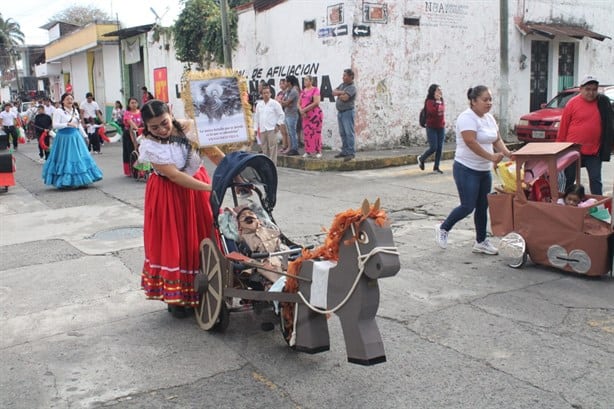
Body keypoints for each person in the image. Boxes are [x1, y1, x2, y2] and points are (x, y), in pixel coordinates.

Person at [137, 99, 225, 318]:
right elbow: (175, 176)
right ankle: (177, 297)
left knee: (205, 235)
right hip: (169, 194)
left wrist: (234, 173)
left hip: (198, 185)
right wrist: (210, 187)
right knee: (176, 241)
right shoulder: (149, 145)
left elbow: (214, 153)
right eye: (154, 127)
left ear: (170, 114)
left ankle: (207, 286)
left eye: (164, 123)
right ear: (147, 127)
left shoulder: (190, 128)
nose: (161, 130)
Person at [435, 85, 512, 255]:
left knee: (483, 206)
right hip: (466, 168)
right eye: (485, 99)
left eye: (490, 99)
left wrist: (507, 153)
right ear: (473, 101)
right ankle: (443, 227)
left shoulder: (490, 118)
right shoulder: (466, 118)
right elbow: (471, 142)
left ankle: (481, 241)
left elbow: (496, 139)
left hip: (484, 170)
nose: (489, 103)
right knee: (467, 206)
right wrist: (491, 157)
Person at [556, 75, 613, 196]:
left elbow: (609, 125)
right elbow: (563, 127)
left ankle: (598, 205)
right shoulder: (572, 103)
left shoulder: (602, 102)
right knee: (569, 179)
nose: (591, 93)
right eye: (588, 89)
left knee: (595, 179)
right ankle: (567, 204)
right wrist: (559, 149)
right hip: (571, 150)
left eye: (594, 89)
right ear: (581, 89)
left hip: (594, 151)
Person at [42, 93, 103, 189]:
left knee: (79, 157)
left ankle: (82, 180)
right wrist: (67, 124)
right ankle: (66, 182)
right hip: (64, 138)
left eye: (71, 99)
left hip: (75, 137)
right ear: (63, 101)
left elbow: (78, 125)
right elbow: (55, 125)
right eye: (67, 99)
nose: (70, 101)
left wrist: (85, 136)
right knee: (67, 158)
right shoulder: (59, 111)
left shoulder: (75, 111)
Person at [236, 206, 284, 284]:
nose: (248, 216)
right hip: (261, 265)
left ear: (258, 220)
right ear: (239, 225)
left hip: (281, 258)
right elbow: (245, 258)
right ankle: (284, 285)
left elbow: (281, 246)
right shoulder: (242, 239)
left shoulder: (271, 231)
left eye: (251, 214)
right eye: (243, 216)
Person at [418, 84, 446, 173]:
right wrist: (438, 103)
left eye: (440, 90)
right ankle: (421, 158)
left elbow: (442, 110)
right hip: (431, 127)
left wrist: (439, 103)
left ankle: (436, 167)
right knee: (433, 147)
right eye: (438, 90)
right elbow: (434, 112)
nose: (440, 92)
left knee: (440, 148)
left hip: (441, 127)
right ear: (433, 92)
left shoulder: (441, 100)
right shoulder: (429, 102)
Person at [254, 85, 285, 165]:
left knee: (273, 148)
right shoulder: (259, 105)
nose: (266, 94)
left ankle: (273, 165)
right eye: (264, 93)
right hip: (262, 129)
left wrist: (278, 125)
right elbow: (256, 118)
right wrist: (255, 129)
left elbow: (281, 114)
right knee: (264, 148)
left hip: (272, 129)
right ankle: (266, 165)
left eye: (267, 93)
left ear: (270, 94)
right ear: (262, 94)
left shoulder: (275, 103)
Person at [332, 68, 357, 161]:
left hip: (348, 112)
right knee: (342, 133)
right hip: (341, 112)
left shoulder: (352, 87)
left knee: (349, 133)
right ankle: (345, 151)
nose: (343, 77)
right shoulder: (342, 85)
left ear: (351, 77)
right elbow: (333, 92)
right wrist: (341, 92)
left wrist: (339, 94)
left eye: (345, 75)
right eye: (343, 75)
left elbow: (345, 98)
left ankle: (351, 152)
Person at [299, 75, 323, 158]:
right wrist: (301, 111)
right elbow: (298, 103)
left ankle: (318, 150)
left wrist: (305, 109)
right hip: (305, 115)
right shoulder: (303, 91)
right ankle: (308, 151)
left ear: (311, 81)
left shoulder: (315, 90)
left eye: (306, 80)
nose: (305, 82)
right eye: (304, 80)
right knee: (306, 133)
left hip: (315, 114)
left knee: (316, 132)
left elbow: (316, 102)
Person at [122, 98, 143, 176]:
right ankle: (132, 170)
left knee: (141, 150)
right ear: (129, 104)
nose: (134, 104)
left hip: (141, 132)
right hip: (130, 133)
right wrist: (136, 128)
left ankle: (142, 169)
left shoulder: (141, 113)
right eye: (132, 103)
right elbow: (130, 121)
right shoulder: (127, 113)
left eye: (135, 102)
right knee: (130, 150)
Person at [282, 75, 300, 156]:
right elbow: (286, 102)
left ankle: (295, 149)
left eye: (285, 81)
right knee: (290, 132)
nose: (284, 83)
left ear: (289, 82)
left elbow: (286, 103)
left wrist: (280, 101)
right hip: (287, 114)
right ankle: (292, 148)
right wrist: (285, 103)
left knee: (292, 132)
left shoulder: (294, 91)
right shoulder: (288, 91)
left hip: (292, 115)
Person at [275, 78, 290, 152]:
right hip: (279, 114)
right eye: (280, 83)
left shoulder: (287, 93)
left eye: (283, 83)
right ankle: (284, 146)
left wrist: (280, 101)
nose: (281, 85)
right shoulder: (279, 93)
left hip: (286, 113)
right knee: (282, 131)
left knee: (286, 132)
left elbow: (286, 102)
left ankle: (287, 146)